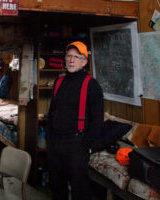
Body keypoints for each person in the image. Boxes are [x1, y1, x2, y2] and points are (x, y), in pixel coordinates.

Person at [47, 41, 104, 200]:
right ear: (65, 59)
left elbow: (98, 120)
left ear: (84, 62)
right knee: (57, 188)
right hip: (55, 144)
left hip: (76, 144)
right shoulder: (59, 81)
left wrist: (85, 146)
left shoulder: (91, 85)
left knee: (80, 192)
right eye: (69, 56)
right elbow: (52, 112)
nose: (71, 60)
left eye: (76, 57)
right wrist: (49, 139)